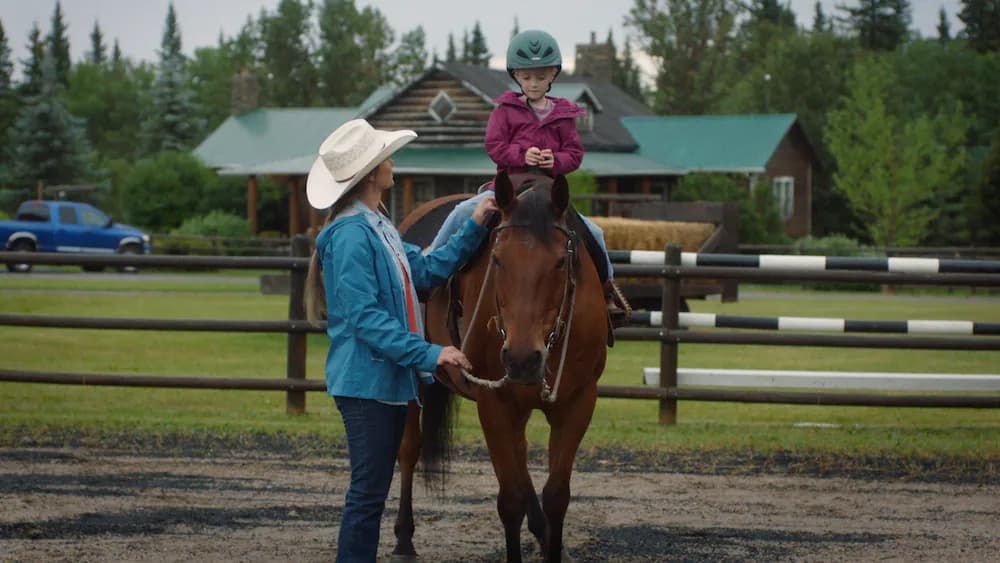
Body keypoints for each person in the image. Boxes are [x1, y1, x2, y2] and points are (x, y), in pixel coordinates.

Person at [303, 118, 498, 563]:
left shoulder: (380, 227)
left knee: (371, 494)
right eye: (386, 157)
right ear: (372, 173)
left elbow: (427, 271)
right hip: (365, 386)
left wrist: (474, 225)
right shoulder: (352, 235)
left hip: (386, 384)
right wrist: (432, 352)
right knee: (367, 496)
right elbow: (365, 319)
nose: (393, 163)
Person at [429, 29, 629, 327]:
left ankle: (607, 291)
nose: (533, 84)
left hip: (548, 194)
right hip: (508, 188)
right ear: (516, 77)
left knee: (595, 232)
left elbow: (574, 153)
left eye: (540, 77)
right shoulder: (505, 110)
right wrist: (523, 156)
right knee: (463, 211)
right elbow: (495, 147)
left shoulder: (563, 114)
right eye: (527, 77)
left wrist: (555, 160)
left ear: (553, 76)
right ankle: (429, 268)